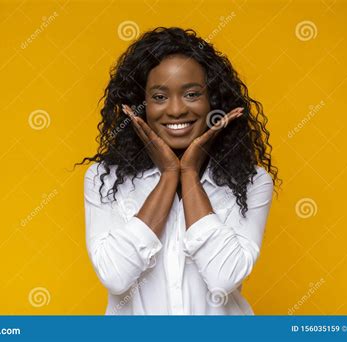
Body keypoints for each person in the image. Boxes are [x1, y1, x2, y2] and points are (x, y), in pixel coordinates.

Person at [79, 27, 280, 315]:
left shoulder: (251, 182)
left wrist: (188, 175)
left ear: (214, 101)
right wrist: (169, 175)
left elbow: (224, 278)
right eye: (159, 97)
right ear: (140, 105)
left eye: (191, 94)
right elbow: (115, 275)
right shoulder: (103, 179)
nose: (175, 110)